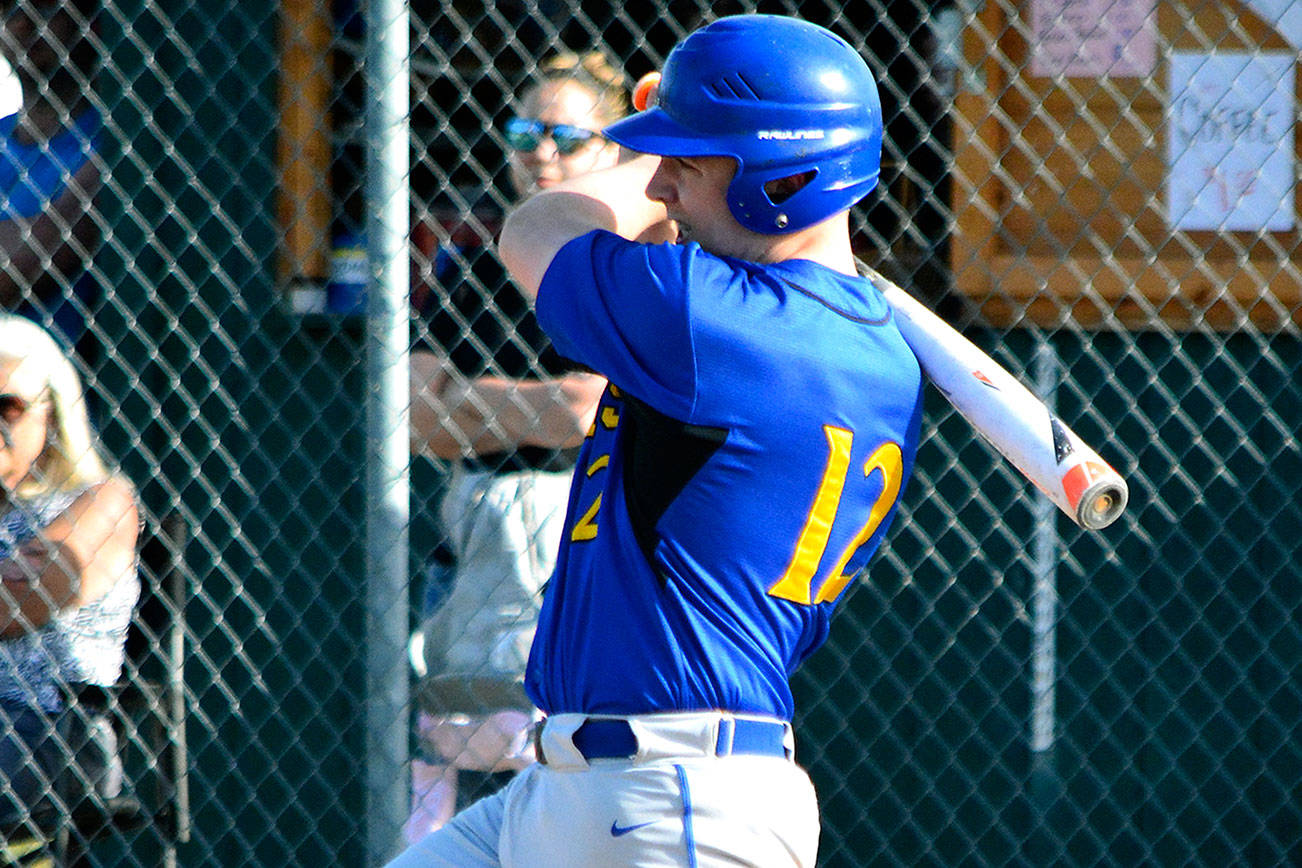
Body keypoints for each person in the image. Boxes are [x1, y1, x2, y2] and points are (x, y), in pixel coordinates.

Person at [389, 14, 925, 868]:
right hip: (572, 787)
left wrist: (635, 162)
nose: (663, 186)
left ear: (782, 180)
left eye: (687, 161)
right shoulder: (858, 347)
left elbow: (533, 229)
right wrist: (688, 136)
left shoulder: (719, 320)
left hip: (673, 799)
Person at [405, 51, 628, 841]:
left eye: (566, 135)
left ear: (614, 148)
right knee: (451, 746)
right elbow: (413, 418)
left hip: (579, 521)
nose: (542, 151)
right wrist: (531, 406)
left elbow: (586, 413)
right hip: (475, 526)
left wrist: (466, 400)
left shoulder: (626, 261)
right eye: (525, 130)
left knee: (563, 755)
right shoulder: (474, 267)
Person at [0, 314, 138, 828]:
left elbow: (15, 604)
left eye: (7, 409)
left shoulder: (103, 502)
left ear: (53, 414)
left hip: (48, 725)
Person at [0, 0, 103, 358]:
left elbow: (16, 270)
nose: (26, 23)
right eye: (12, 9)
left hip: (54, 392)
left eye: (46, 7)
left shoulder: (110, 141)